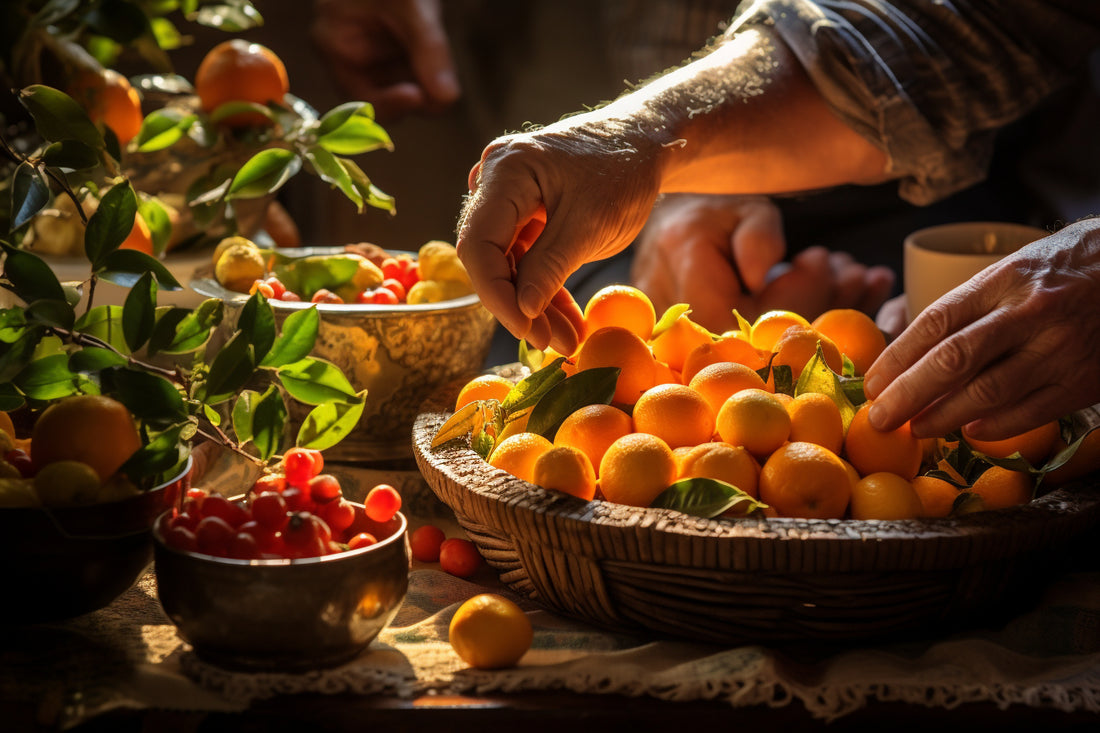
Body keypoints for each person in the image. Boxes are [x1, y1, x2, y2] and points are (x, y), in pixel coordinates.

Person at [455, 0, 1100, 440]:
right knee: (524, 372)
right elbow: (939, 27)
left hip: (937, 193)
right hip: (709, 159)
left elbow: (992, 29)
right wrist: (641, 144)